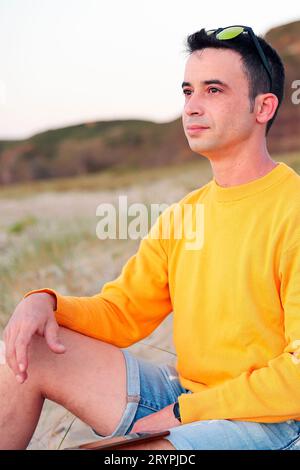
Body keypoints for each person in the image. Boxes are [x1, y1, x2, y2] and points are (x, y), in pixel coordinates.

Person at [1, 25, 300, 451]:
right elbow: (122, 313)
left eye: (213, 91)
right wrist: (44, 301)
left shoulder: (292, 209)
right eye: (187, 91)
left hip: (278, 422)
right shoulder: (183, 216)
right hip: (188, 398)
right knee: (26, 352)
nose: (193, 107)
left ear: (263, 107)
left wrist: (182, 415)